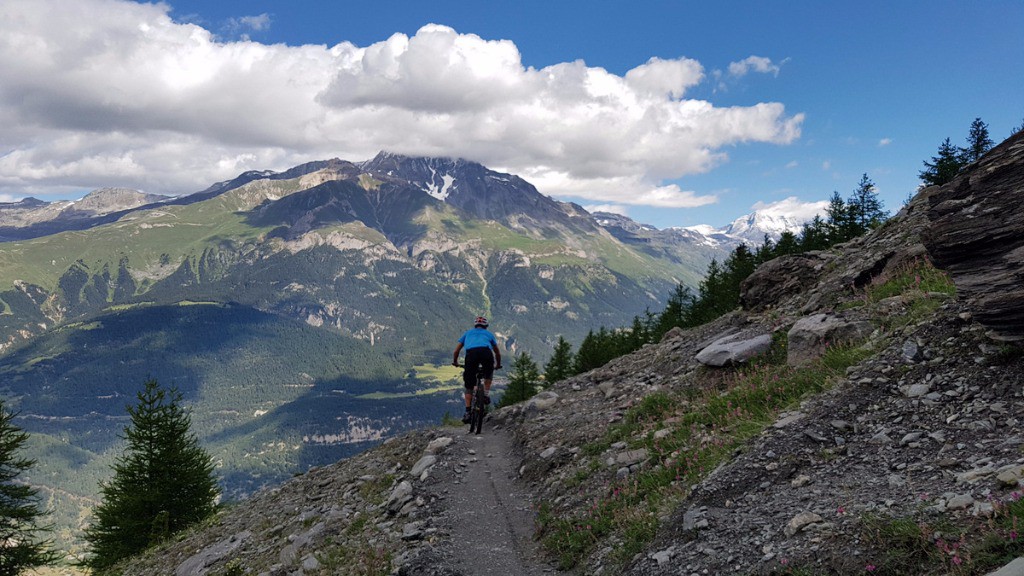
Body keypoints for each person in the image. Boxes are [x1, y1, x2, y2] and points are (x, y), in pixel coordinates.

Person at [452, 316, 502, 423]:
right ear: (486, 326)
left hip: (471, 354)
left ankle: (468, 412)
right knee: (488, 374)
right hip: (486, 353)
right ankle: (485, 395)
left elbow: (456, 351)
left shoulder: (467, 333)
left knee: (469, 385)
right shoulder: (489, 334)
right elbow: (497, 352)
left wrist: (455, 362)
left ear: (475, 325)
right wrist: (498, 364)